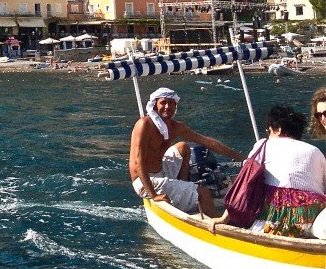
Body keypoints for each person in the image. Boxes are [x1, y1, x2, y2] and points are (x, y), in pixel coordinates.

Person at [129, 86, 242, 217]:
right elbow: (138, 163)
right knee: (204, 193)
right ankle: (218, 223)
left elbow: (206, 141)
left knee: (183, 147)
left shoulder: (175, 127)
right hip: (144, 181)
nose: (167, 107)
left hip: (160, 170)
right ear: (155, 104)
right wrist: (154, 195)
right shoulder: (144, 124)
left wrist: (241, 157)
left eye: (171, 103)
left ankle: (182, 187)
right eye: (163, 102)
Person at [247, 104, 326, 238]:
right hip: (311, 217)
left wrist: (223, 219)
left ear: (277, 130)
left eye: (268, 130)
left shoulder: (264, 144)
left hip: (276, 221)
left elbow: (246, 181)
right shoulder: (315, 151)